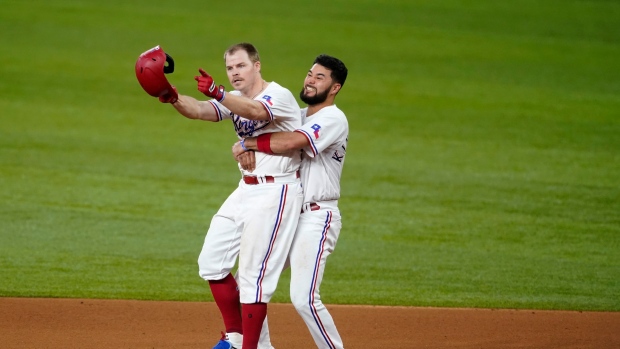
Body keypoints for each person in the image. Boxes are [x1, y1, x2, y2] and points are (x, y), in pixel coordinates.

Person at [158, 42, 303, 349]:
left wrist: (220, 93)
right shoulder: (233, 98)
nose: (235, 73)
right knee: (211, 262)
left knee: (252, 280)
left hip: (276, 192)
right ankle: (236, 338)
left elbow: (256, 111)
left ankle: (245, 347)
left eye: (241, 66)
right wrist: (171, 95)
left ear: (257, 65)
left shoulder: (279, 95)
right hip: (245, 190)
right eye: (229, 68)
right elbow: (198, 109)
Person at [233, 54, 349, 349]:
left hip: (316, 215)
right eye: (310, 74)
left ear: (334, 88)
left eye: (320, 77)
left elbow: (289, 143)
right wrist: (241, 145)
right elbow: (260, 135)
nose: (310, 80)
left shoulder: (333, 118)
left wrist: (246, 144)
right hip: (285, 212)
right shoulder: (296, 115)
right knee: (250, 283)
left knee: (304, 299)